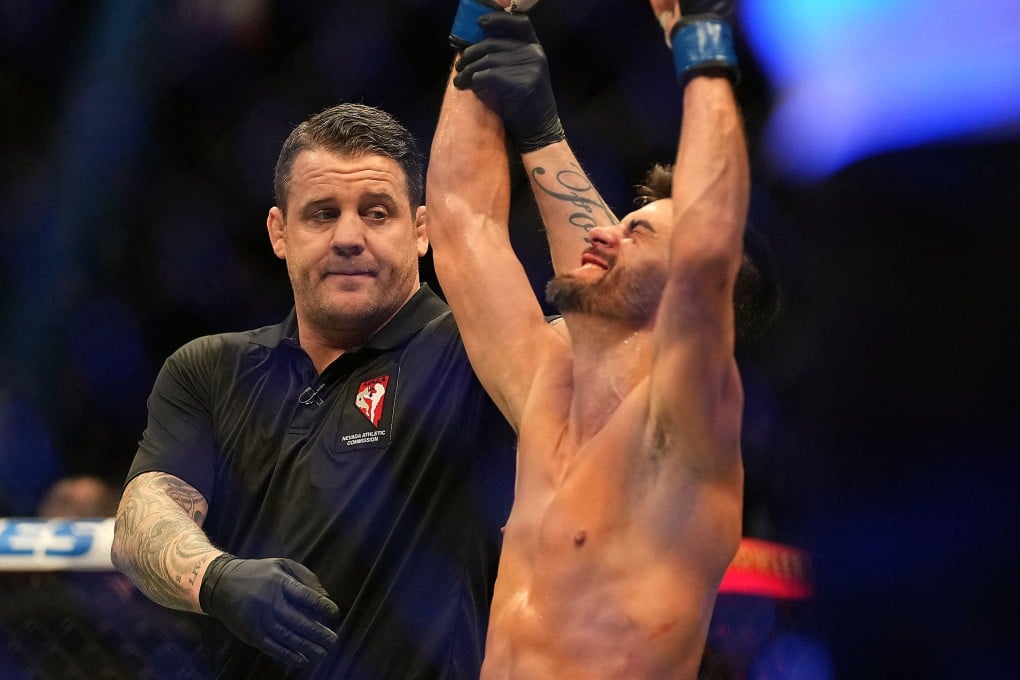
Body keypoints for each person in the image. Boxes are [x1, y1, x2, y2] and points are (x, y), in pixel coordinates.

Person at [428, 0, 777, 677]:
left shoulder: (684, 426)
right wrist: (482, 19)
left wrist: (698, 43)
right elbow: (459, 220)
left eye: (637, 232)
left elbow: (704, 259)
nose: (602, 230)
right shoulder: (546, 394)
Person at [110, 102, 519, 679]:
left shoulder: (470, 351)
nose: (348, 237)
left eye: (377, 214)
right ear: (280, 232)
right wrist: (217, 578)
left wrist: (542, 130)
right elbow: (139, 521)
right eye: (322, 214)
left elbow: (601, 331)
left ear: (422, 230)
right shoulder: (210, 369)